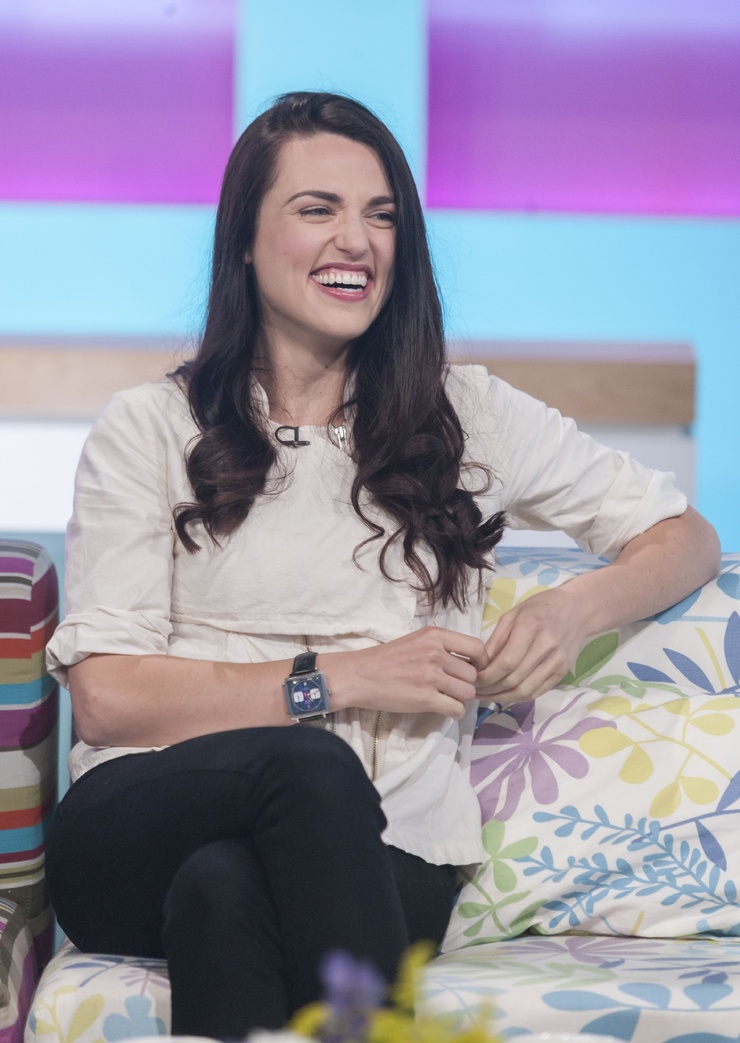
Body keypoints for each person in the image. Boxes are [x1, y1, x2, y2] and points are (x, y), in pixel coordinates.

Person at [45, 91, 720, 1039]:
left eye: (382, 214)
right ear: (245, 240)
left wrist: (570, 613)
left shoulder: (469, 416)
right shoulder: (151, 428)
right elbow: (109, 697)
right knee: (305, 769)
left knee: (220, 889)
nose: (356, 240)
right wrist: (343, 677)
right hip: (140, 823)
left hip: (392, 854)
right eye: (317, 209)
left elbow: (684, 535)